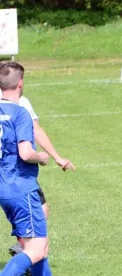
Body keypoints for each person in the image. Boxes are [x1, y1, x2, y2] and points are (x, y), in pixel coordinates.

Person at [7, 95, 75, 260]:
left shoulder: (18, 101)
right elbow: (30, 142)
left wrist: (56, 157)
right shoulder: (19, 102)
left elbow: (35, 130)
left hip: (13, 172)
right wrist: (45, 157)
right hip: (16, 172)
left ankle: (24, 248)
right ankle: (26, 252)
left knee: (37, 212)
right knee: (35, 214)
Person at [0, 62, 53, 275]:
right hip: (21, 188)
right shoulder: (20, 113)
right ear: (20, 83)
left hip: (4, 188)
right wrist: (41, 157)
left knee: (41, 247)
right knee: (36, 249)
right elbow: (26, 153)